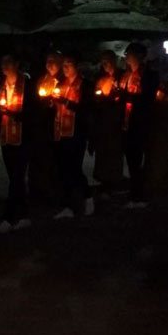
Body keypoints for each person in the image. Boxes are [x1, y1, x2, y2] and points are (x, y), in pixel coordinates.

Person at [51, 53, 94, 219]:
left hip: (77, 132)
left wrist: (66, 102)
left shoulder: (85, 85)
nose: (66, 68)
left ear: (77, 66)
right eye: (64, 65)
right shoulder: (61, 84)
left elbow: (86, 108)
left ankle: (88, 197)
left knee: (74, 167)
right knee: (63, 168)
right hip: (61, 130)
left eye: (69, 64)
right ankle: (67, 205)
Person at [0, 56, 32, 233]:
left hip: (22, 137)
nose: (5, 67)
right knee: (14, 177)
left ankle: (8, 217)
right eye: (3, 63)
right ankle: (24, 215)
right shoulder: (1, 85)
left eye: (9, 63)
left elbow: (32, 112)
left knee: (17, 176)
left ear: (17, 64)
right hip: (6, 136)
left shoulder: (27, 85)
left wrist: (14, 113)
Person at [119, 43, 159, 209]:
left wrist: (128, 97)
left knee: (138, 158)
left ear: (140, 56)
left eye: (130, 53)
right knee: (131, 158)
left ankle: (139, 194)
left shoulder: (149, 75)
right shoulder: (127, 75)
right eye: (127, 53)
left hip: (141, 122)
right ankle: (134, 192)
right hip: (127, 121)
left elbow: (147, 99)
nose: (127, 56)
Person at [28, 52, 62, 203]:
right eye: (48, 61)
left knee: (54, 159)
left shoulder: (63, 80)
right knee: (39, 158)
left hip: (57, 124)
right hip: (41, 124)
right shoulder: (42, 79)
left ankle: (53, 190)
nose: (50, 64)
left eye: (54, 61)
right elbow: (35, 100)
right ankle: (38, 190)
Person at [90, 51, 124, 195]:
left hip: (115, 120)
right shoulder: (100, 77)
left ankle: (114, 180)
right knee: (103, 151)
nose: (105, 65)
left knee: (113, 151)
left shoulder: (121, 76)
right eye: (103, 62)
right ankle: (103, 179)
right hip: (102, 119)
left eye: (108, 61)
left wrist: (113, 97)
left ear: (114, 61)